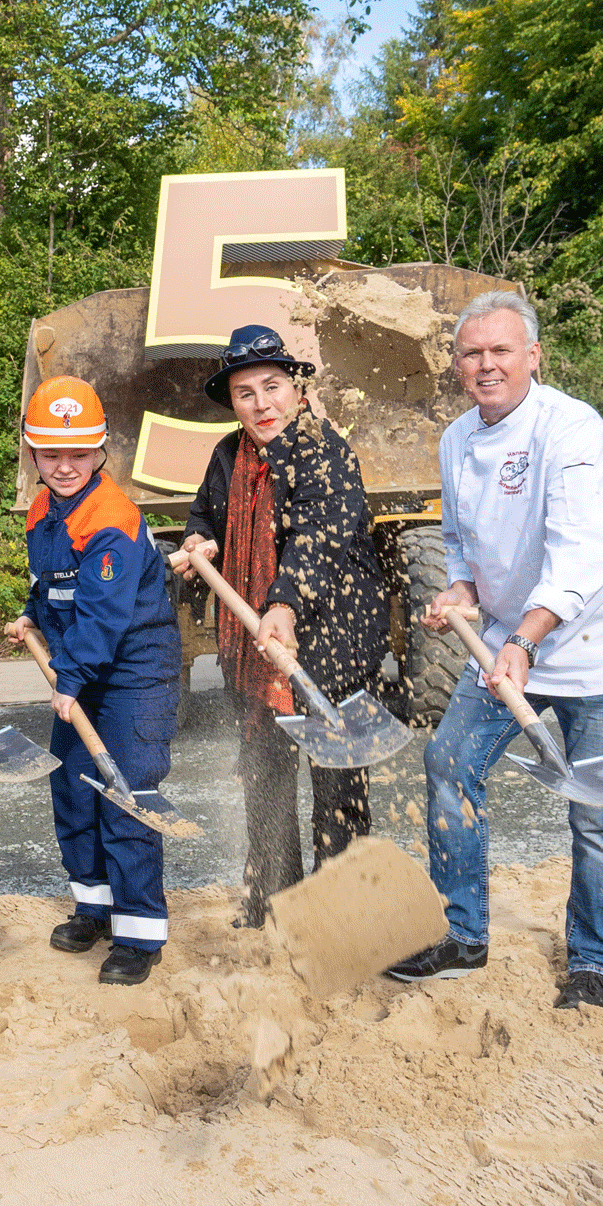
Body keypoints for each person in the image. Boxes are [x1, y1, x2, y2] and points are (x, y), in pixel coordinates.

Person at [392, 290, 603, 1011]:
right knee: (449, 759)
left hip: (596, 647)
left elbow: (580, 554)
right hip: (509, 644)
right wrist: (460, 592)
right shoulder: (454, 441)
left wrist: (526, 642)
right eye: (472, 352)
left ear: (532, 356)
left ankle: (594, 962)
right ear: (456, 363)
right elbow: (461, 545)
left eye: (501, 350)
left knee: (595, 812)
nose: (486, 365)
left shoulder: (572, 430)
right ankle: (460, 932)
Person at [178, 325, 388, 928]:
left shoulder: (326, 449)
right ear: (233, 402)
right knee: (264, 772)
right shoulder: (227, 456)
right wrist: (201, 539)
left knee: (336, 782)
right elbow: (204, 512)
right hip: (256, 645)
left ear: (297, 389)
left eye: (272, 386)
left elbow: (322, 535)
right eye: (245, 393)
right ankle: (273, 898)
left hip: (333, 639)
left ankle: (343, 911)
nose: (260, 403)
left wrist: (286, 603)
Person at [3, 377, 181, 985]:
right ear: (33, 453)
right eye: (51, 453)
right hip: (84, 671)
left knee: (123, 795)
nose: (65, 466)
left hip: (134, 672)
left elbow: (103, 616)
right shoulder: (41, 512)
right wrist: (34, 612)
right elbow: (55, 582)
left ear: (102, 449)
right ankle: (94, 907)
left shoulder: (111, 519)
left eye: (79, 452)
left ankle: (138, 934)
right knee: (76, 793)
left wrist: (68, 678)